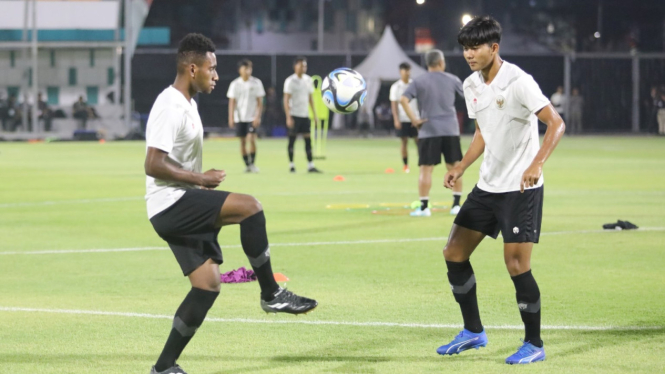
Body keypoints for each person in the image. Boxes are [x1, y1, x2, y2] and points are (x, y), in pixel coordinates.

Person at [144, 34, 317, 374]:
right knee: (251, 206)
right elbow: (152, 163)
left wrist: (197, 185)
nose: (216, 75)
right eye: (212, 68)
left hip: (177, 201)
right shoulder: (170, 105)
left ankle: (164, 367)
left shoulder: (188, 102)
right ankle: (271, 293)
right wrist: (200, 180)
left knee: (207, 285)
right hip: (170, 203)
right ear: (192, 68)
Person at [436, 16, 565, 365]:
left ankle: (534, 343)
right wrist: (461, 166)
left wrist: (537, 163)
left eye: (475, 47)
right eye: (464, 48)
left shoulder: (519, 82)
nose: (469, 54)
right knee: (453, 252)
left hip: (520, 189)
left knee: (516, 264)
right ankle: (473, 331)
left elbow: (556, 123)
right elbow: (483, 132)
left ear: (494, 47)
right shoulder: (470, 85)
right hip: (487, 185)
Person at [400, 49, 465, 216]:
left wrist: (414, 120)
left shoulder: (419, 81)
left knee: (426, 170)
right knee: (454, 167)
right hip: (450, 129)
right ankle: (456, 205)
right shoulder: (453, 79)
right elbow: (471, 97)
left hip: (429, 130)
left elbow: (403, 100)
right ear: (441, 62)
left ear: (427, 64)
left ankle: (424, 208)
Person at [283, 56, 321, 173]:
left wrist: (314, 115)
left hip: (305, 115)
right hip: (294, 114)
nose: (303, 68)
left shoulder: (308, 80)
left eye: (305, 66)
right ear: (295, 66)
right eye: (301, 65)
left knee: (308, 140)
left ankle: (310, 165)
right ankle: (291, 165)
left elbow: (310, 98)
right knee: (292, 140)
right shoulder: (290, 81)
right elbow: (286, 99)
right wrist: (288, 116)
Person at [227, 58, 265, 173]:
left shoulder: (256, 82)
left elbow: (260, 102)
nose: (248, 71)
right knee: (242, 141)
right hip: (239, 117)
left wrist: (257, 116)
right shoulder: (235, 84)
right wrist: (231, 117)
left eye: (250, 68)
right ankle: (247, 165)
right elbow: (232, 102)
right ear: (240, 70)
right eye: (245, 68)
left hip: (251, 117)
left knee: (251, 138)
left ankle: (253, 163)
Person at [390, 62, 419, 173]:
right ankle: (405, 165)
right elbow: (394, 104)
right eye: (405, 70)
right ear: (400, 72)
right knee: (404, 141)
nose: (407, 73)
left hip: (415, 117)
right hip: (403, 118)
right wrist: (396, 119)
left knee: (418, 141)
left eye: (408, 70)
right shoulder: (396, 87)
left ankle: (422, 163)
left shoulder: (414, 85)